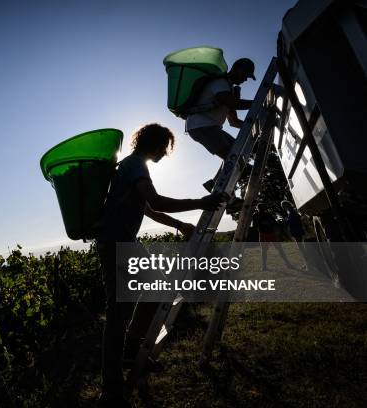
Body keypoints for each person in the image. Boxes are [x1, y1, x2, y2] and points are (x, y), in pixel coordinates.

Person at [96, 123, 227, 407]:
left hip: (121, 242)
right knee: (119, 312)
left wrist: (178, 224)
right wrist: (201, 202)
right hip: (118, 244)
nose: (166, 155)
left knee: (153, 291)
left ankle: (129, 354)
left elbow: (149, 209)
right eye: (165, 148)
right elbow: (156, 200)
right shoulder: (136, 167)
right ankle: (111, 387)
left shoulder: (129, 168)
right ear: (154, 144)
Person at [185, 58, 256, 197]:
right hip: (202, 126)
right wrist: (257, 102)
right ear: (238, 69)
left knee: (236, 150)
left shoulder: (228, 89)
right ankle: (227, 199)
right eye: (246, 75)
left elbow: (233, 121)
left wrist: (253, 127)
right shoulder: (220, 83)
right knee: (234, 158)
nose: (246, 80)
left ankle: (213, 183)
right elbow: (233, 103)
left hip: (211, 127)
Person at [252, 203, 295, 271]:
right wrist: (260, 223)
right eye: (261, 208)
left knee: (280, 249)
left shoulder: (268, 214)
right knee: (264, 251)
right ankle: (264, 266)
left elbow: (274, 223)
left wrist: (276, 229)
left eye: (263, 207)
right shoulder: (256, 215)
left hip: (271, 233)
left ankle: (288, 264)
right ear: (258, 209)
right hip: (263, 234)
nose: (263, 209)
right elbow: (254, 226)